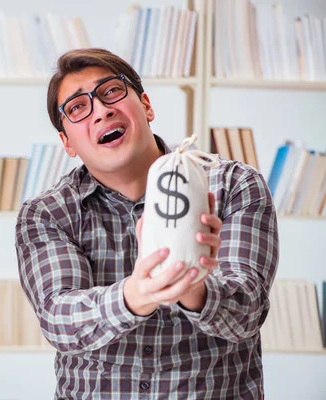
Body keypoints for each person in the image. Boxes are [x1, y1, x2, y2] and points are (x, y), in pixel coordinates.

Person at [14, 48, 279, 399]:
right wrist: (136, 294)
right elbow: (60, 320)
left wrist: (190, 286)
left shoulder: (233, 186)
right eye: (78, 107)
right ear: (67, 143)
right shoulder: (47, 213)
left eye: (110, 91)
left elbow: (248, 312)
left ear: (147, 106)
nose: (101, 110)